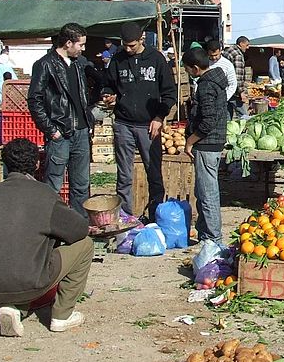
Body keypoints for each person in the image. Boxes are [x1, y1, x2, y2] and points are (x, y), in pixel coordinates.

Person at [0, 138, 92, 337]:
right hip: (32, 283)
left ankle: (12, 308)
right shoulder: (45, 194)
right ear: (37, 164)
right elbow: (79, 230)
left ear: (5, 165)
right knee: (86, 245)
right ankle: (62, 316)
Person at [101, 22, 177, 220]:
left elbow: (170, 93)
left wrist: (160, 117)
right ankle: (125, 217)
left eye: (132, 45)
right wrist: (108, 95)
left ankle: (155, 215)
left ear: (142, 39)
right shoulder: (117, 59)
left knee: (154, 173)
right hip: (123, 123)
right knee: (124, 175)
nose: (128, 49)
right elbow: (108, 85)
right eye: (125, 45)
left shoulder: (157, 59)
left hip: (149, 125)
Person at [27, 23, 95, 216]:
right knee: (53, 184)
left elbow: (82, 95)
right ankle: (49, 226)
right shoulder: (45, 64)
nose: (83, 48)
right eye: (80, 44)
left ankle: (79, 226)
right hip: (60, 133)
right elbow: (35, 100)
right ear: (68, 43)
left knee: (81, 185)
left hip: (81, 131)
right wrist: (51, 130)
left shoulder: (78, 64)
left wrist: (88, 121)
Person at [181, 48, 228, 245]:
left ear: (195, 68)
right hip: (214, 142)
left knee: (207, 193)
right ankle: (205, 234)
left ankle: (213, 238)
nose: (187, 73)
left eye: (187, 69)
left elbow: (208, 120)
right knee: (203, 191)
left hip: (207, 144)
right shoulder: (216, 81)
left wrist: (190, 141)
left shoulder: (206, 86)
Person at [223, 36, 250, 118]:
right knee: (243, 115)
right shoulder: (237, 55)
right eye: (247, 45)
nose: (248, 47)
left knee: (227, 115)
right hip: (234, 91)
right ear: (241, 44)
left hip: (224, 89)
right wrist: (241, 92)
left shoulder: (227, 51)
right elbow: (238, 76)